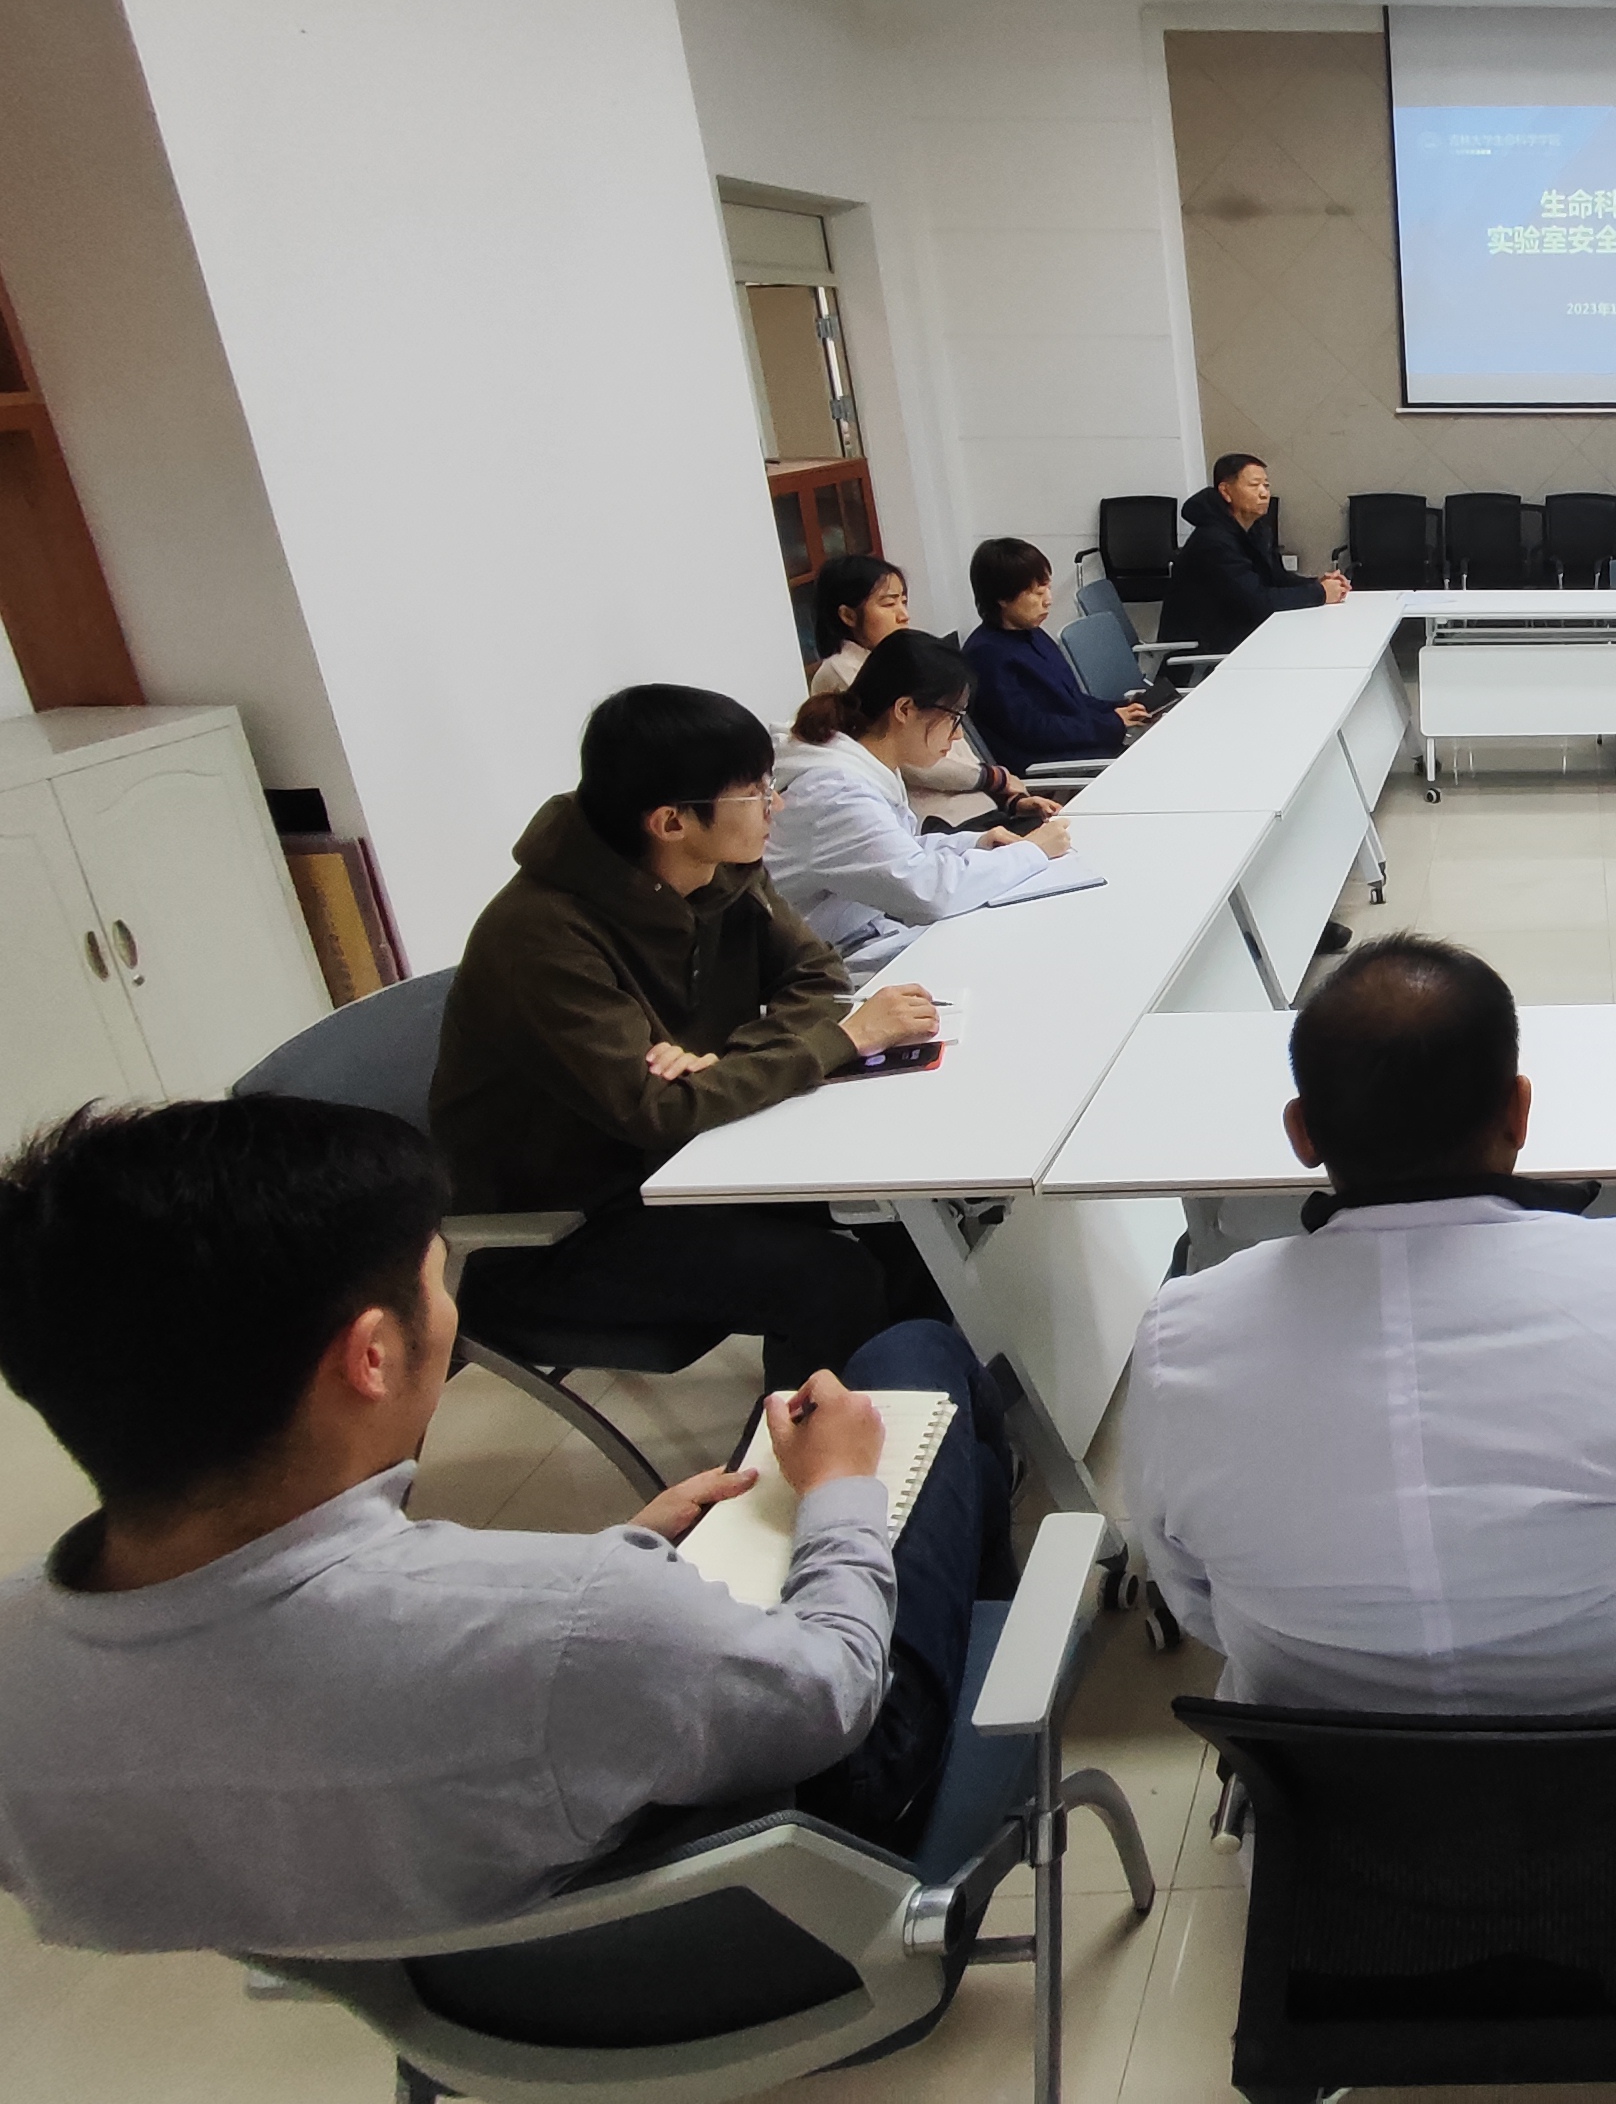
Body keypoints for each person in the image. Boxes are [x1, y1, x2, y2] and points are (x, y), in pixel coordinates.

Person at [0, 1095, 1016, 1952]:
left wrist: (622, 1556)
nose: (448, 1309)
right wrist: (838, 1490)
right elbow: (832, 1694)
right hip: (775, 1919)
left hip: (478, 1999)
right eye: (434, 1279)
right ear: (371, 1355)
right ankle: (994, 1637)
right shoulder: (580, 1620)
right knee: (916, 1358)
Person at [1123, 934, 1616, 1713]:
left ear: (1301, 1132)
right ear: (1519, 1112)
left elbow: (1196, 1601)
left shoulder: (1179, 1340)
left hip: (1325, 1770)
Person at [429, 685, 944, 1390]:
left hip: (691, 1158)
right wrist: (840, 1040)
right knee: (828, 1277)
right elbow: (660, 1108)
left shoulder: (722, 868)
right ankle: (812, 1452)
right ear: (671, 821)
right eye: (755, 792)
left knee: (907, 1205)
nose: (775, 805)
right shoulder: (541, 936)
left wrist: (730, 1064)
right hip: (566, 1225)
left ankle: (918, 1403)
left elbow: (816, 976)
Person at [767, 629, 1076, 972]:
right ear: (905, 709)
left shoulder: (859, 765)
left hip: (855, 934)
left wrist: (973, 843)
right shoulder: (837, 793)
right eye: (953, 718)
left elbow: (896, 850)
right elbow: (930, 893)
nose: (957, 735)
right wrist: (1033, 851)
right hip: (818, 966)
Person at [804, 552, 1027, 831]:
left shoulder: (902, 659)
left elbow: (954, 742)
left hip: (980, 808)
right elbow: (910, 760)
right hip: (942, 820)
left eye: (903, 601)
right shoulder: (842, 672)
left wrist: (1008, 798)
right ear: (848, 615)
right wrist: (993, 779)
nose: (903, 615)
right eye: (888, 604)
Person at [958, 536, 1146, 779]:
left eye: (1047, 588)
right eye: (1037, 593)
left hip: (1077, 746)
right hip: (1049, 764)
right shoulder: (986, 655)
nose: (1048, 600)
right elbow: (1033, 731)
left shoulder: (1031, 634)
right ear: (1002, 598)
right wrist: (1109, 723)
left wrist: (1120, 708)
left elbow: (1071, 701)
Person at [1161, 452, 1349, 656]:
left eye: (1266, 486)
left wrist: (1318, 583)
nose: (1264, 493)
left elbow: (1276, 579)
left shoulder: (1256, 530)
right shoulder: (1213, 541)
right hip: (1205, 653)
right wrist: (1320, 593)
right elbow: (1256, 603)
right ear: (1226, 491)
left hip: (1242, 635)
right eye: (1254, 485)